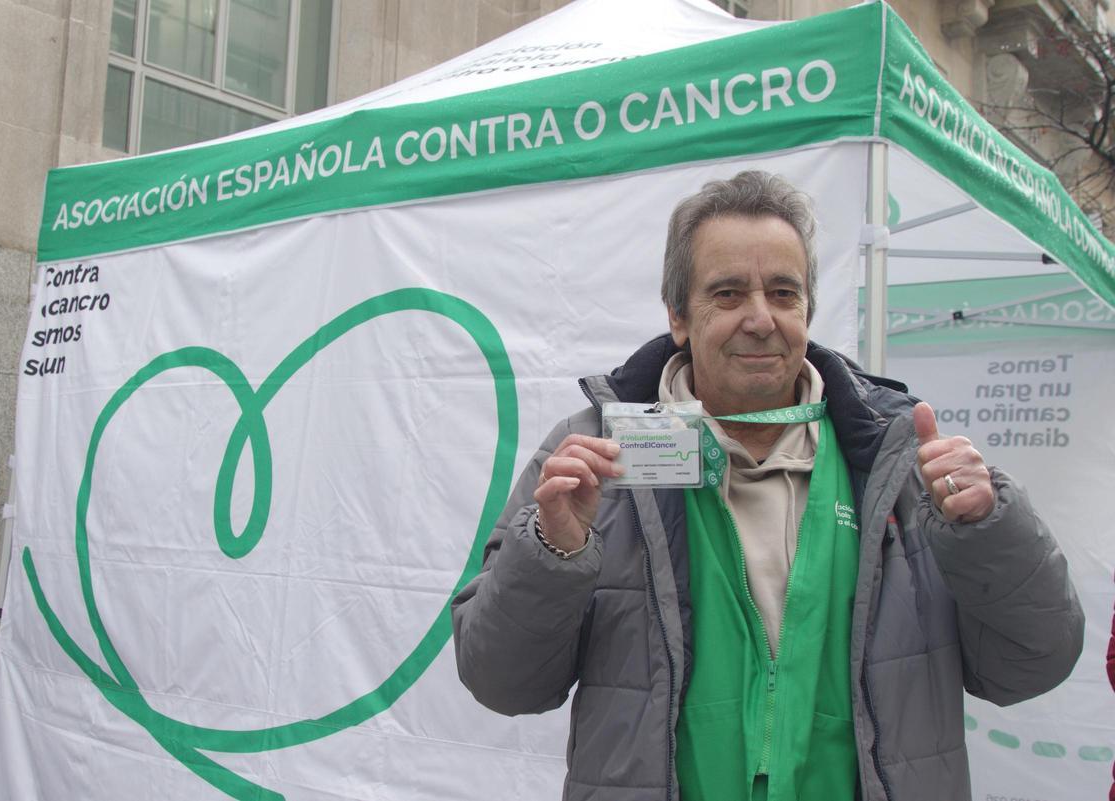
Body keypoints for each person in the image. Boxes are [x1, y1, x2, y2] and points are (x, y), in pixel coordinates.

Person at [451, 170, 1084, 801]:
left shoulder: (900, 461)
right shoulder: (593, 457)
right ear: (678, 315)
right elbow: (502, 682)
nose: (761, 319)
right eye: (727, 294)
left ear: (807, 308)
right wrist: (554, 551)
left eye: (783, 293)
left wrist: (988, 531)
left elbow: (1029, 666)